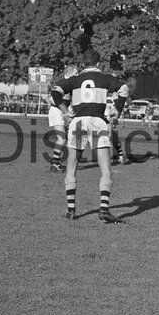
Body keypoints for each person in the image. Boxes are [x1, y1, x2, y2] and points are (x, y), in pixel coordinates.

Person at [51, 50, 129, 224]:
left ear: (83, 63)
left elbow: (55, 91)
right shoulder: (105, 78)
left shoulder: (75, 79)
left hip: (78, 122)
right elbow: (124, 89)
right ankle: (104, 210)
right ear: (98, 63)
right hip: (97, 122)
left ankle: (71, 210)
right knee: (106, 169)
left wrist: (65, 112)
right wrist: (118, 109)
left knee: (71, 167)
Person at [47, 65, 77, 173]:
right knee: (62, 138)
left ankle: (55, 161)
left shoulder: (69, 85)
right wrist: (66, 113)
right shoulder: (62, 82)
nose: (77, 76)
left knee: (66, 137)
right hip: (56, 111)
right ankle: (55, 163)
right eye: (75, 73)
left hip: (61, 112)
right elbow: (55, 97)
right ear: (70, 73)